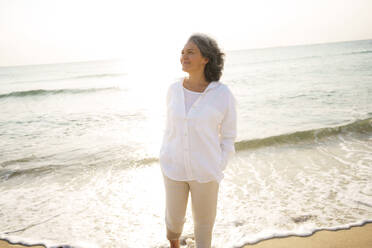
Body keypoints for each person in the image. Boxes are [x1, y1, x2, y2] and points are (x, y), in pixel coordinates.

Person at [159, 33, 237, 248]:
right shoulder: (173, 90)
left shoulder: (222, 94)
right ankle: (174, 245)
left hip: (206, 171)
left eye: (190, 52)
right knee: (173, 220)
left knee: (204, 225)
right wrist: (164, 154)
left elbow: (229, 136)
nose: (184, 56)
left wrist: (218, 164)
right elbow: (170, 128)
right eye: (182, 52)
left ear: (206, 58)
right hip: (173, 167)